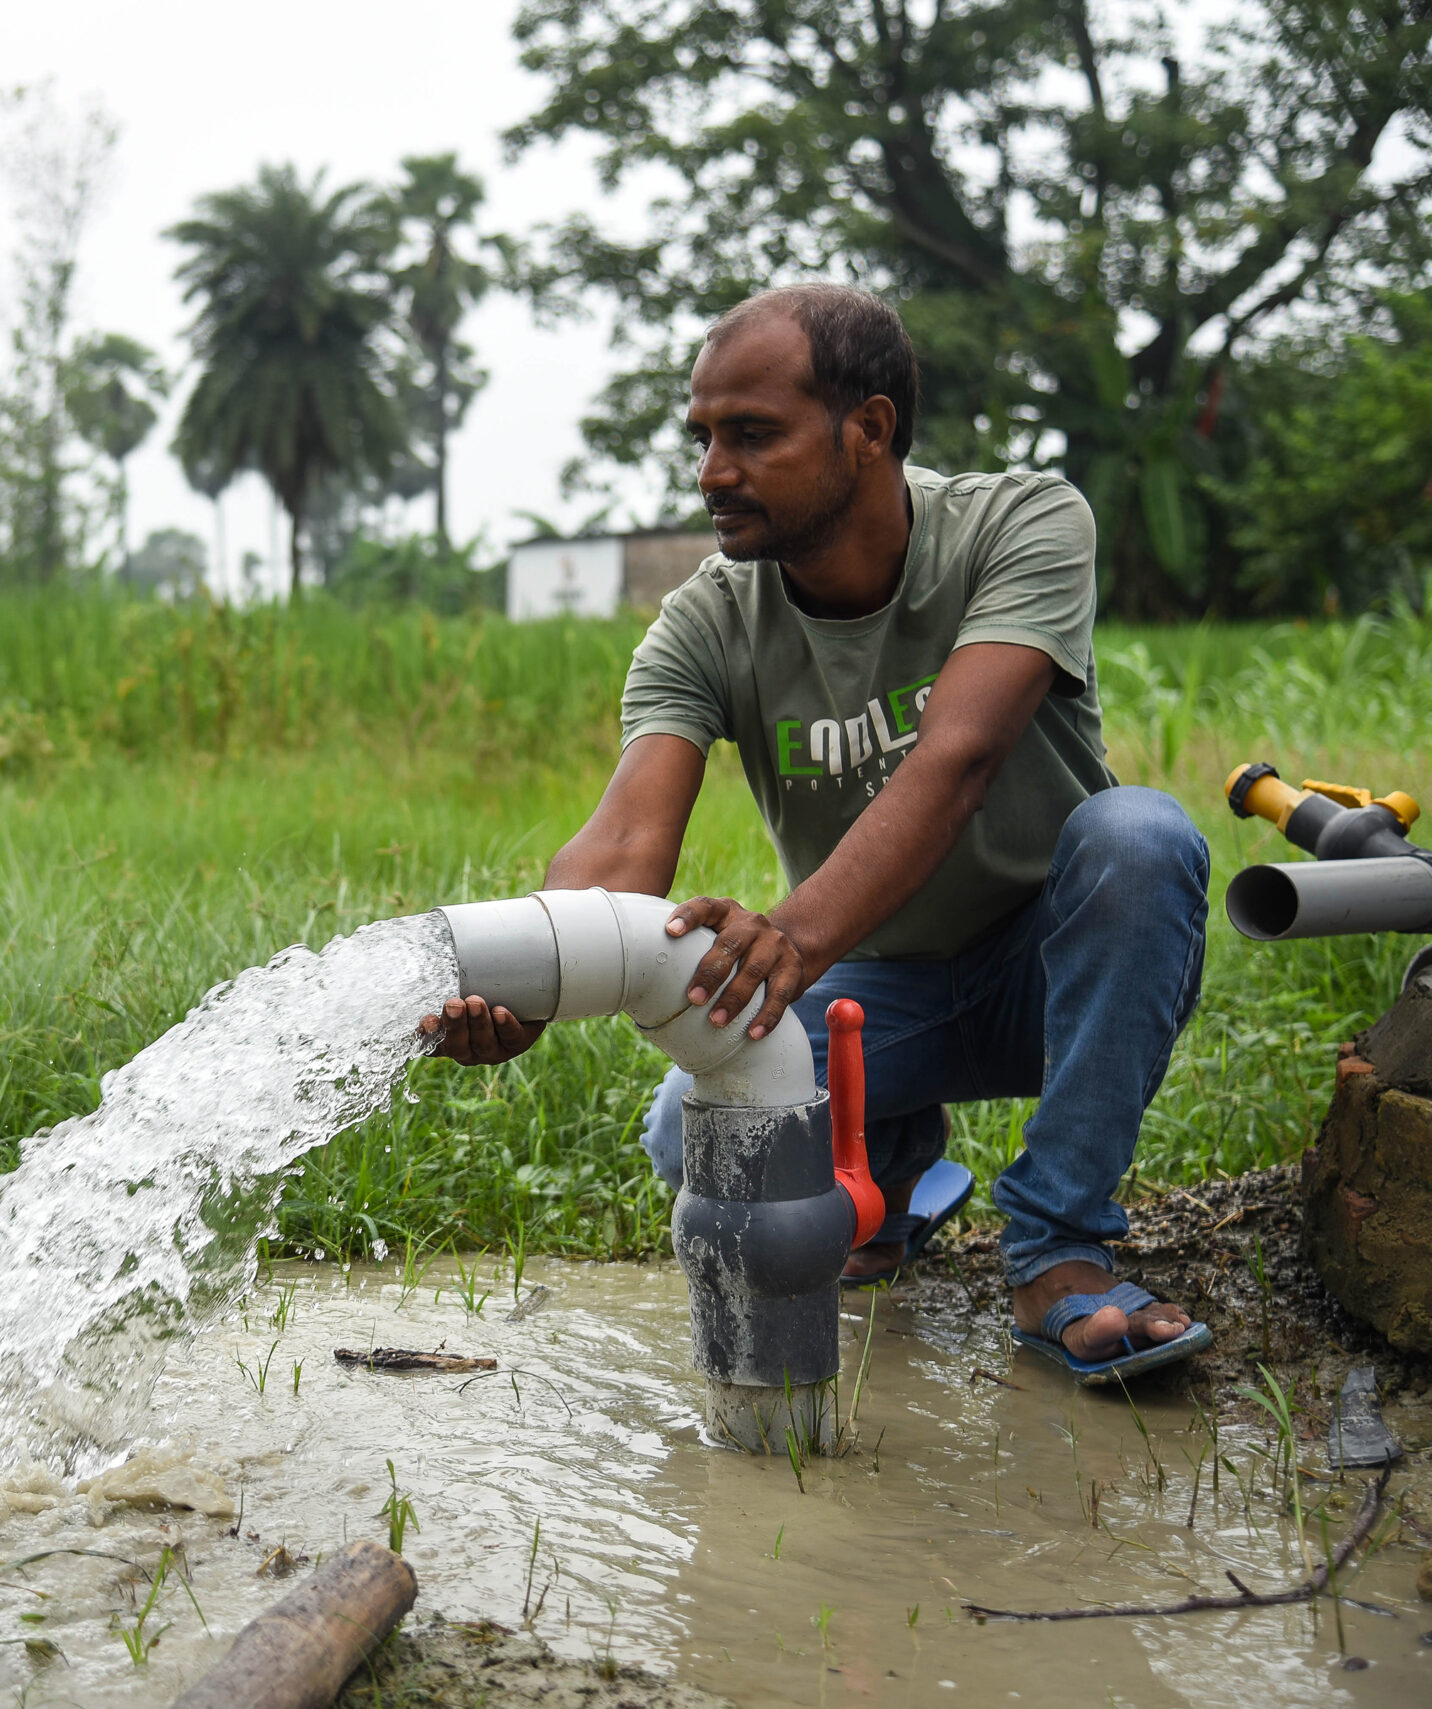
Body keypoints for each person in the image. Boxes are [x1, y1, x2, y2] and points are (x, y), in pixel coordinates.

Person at [423, 284, 1211, 1383]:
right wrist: (529, 986)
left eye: (751, 435)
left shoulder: (1018, 523)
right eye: (701, 437)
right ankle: (886, 1178)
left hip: (1064, 969)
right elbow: (621, 847)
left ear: (869, 429)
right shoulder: (710, 615)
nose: (710, 472)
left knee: (1140, 837)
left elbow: (958, 759)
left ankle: (1057, 1249)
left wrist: (789, 936)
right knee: (681, 1131)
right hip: (877, 991)